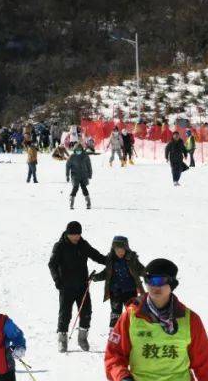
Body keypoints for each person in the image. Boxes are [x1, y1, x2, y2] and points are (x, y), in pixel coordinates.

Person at [48, 220, 106, 352]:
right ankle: (62, 340)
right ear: (68, 234)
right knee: (65, 313)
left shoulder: (83, 245)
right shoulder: (60, 246)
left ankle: (82, 338)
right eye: (73, 234)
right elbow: (52, 264)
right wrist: (57, 280)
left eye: (78, 234)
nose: (76, 237)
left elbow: (96, 256)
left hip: (82, 286)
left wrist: (110, 260)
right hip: (66, 286)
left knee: (86, 312)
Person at [90, 236, 145, 331]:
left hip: (130, 290)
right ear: (113, 249)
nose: (120, 252)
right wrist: (95, 278)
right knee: (116, 312)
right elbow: (105, 273)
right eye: (117, 249)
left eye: (122, 249)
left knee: (132, 312)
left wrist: (149, 274)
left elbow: (141, 269)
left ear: (126, 249)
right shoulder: (110, 260)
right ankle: (113, 332)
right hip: (115, 291)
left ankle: (133, 332)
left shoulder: (132, 259)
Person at [66, 143, 93, 209]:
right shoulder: (72, 157)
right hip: (75, 175)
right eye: (77, 150)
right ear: (75, 150)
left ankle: (88, 202)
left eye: (80, 150)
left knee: (84, 188)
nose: (78, 151)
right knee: (75, 187)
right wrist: (67, 175)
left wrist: (90, 174)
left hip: (84, 175)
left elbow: (89, 165)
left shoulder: (85, 156)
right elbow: (67, 166)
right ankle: (71, 201)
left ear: (82, 149)